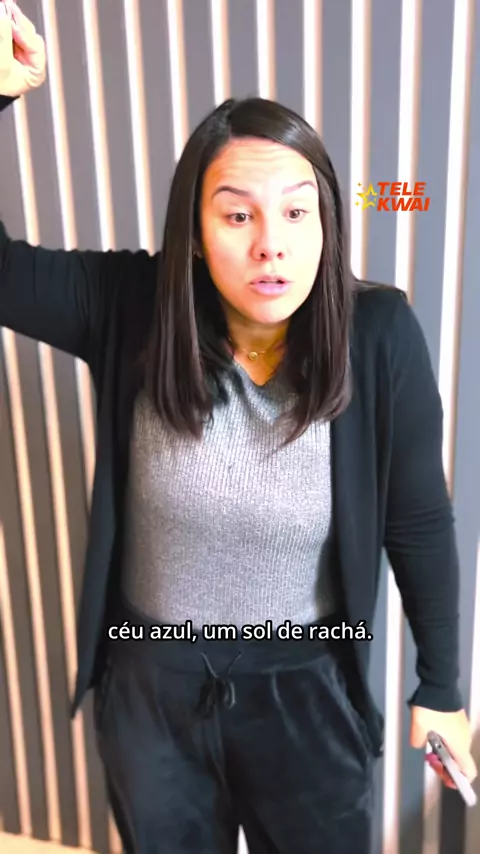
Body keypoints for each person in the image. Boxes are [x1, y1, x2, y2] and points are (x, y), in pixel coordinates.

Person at [0, 6, 477, 853]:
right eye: (237, 216)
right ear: (194, 233)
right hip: (151, 685)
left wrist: (442, 686)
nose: (271, 247)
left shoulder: (378, 334)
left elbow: (418, 521)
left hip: (306, 685)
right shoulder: (132, 306)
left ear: (327, 224)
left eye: (297, 213)